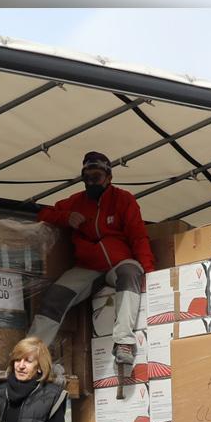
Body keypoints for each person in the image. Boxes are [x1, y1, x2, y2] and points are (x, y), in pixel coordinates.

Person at [32, 150, 156, 364]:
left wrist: (152, 275)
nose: (91, 183)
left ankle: (124, 342)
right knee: (55, 296)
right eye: (86, 178)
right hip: (87, 267)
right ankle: (30, 354)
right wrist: (66, 217)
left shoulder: (124, 200)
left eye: (96, 177)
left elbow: (139, 238)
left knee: (131, 271)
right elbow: (43, 214)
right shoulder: (76, 201)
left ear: (108, 177)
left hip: (119, 264)